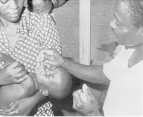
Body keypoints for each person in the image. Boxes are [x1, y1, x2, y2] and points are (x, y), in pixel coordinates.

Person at [42, 0, 143, 116]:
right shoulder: (130, 49)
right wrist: (63, 63)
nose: (112, 24)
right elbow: (106, 74)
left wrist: (92, 113)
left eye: (119, 23)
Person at [0, 0, 69, 116]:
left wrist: (32, 101)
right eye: (4, 1)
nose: (14, 6)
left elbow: (57, 74)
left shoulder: (41, 21)